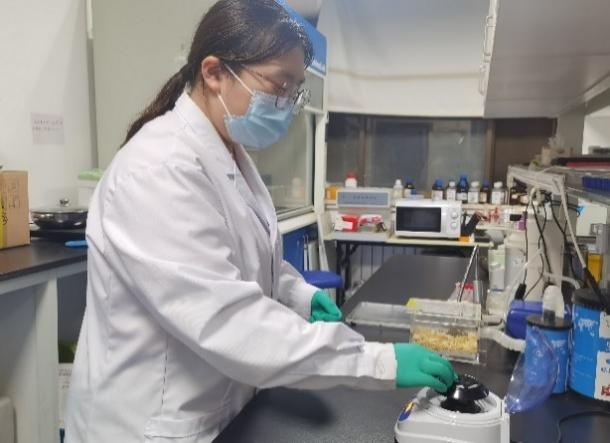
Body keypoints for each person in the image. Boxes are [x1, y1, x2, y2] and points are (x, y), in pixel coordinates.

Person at [65, 1, 456, 442]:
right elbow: (231, 322)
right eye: (279, 85)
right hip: (147, 422)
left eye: (295, 90)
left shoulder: (229, 155)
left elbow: (241, 256)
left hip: (219, 410)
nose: (287, 104)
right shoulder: (159, 169)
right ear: (214, 72)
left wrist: (300, 295)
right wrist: (377, 360)